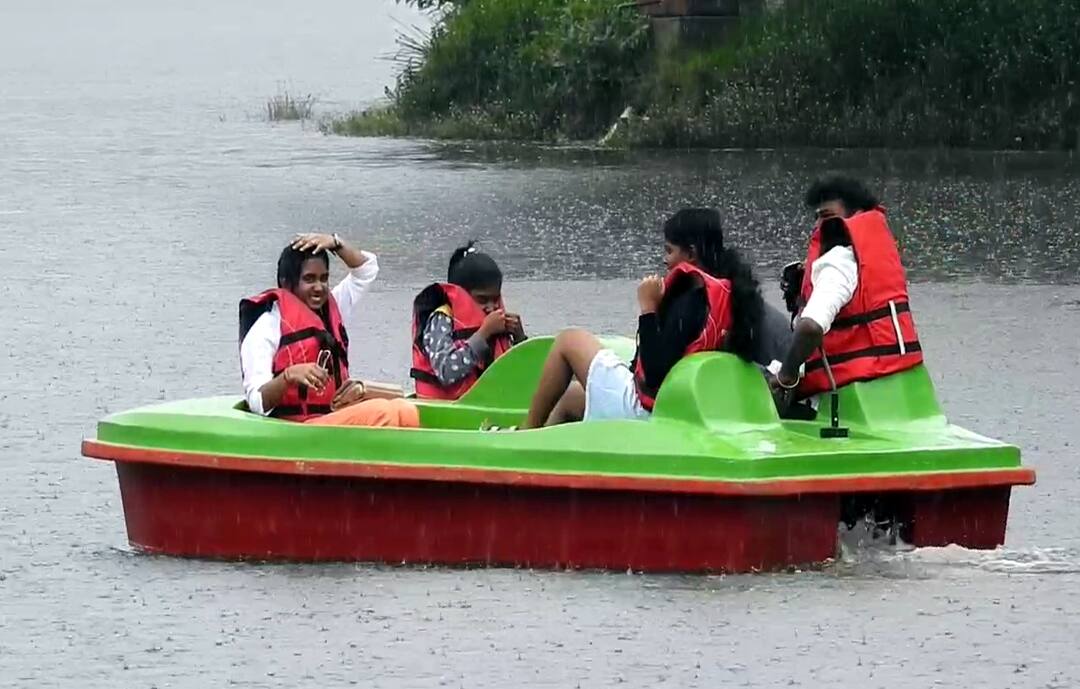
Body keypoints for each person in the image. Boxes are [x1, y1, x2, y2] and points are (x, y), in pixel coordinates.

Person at [523, 208, 764, 428]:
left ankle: (524, 433)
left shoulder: (691, 299)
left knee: (568, 341)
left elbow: (655, 373)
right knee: (571, 398)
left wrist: (648, 308)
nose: (664, 259)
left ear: (691, 254)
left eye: (669, 250)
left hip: (650, 412)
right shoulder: (734, 294)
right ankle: (543, 454)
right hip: (689, 409)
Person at [770, 175, 923, 415]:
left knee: (750, 380)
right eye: (817, 218)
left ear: (857, 215)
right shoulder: (879, 260)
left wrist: (786, 376)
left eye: (827, 216)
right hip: (896, 383)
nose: (819, 226)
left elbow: (810, 327)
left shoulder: (836, 262)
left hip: (840, 395)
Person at [239, 233, 419, 427]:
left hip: (333, 417)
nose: (319, 287)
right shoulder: (266, 325)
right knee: (385, 414)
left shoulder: (332, 306)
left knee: (406, 410)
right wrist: (288, 376)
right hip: (295, 428)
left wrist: (335, 243)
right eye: (309, 279)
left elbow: (367, 268)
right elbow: (257, 402)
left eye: (323, 278)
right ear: (285, 282)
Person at [410, 242, 527, 400]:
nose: (491, 307)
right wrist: (484, 333)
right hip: (447, 408)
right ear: (461, 293)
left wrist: (520, 339)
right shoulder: (442, 318)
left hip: (489, 403)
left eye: (495, 299)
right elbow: (446, 370)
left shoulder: (495, 323)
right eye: (482, 299)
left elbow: (519, 372)